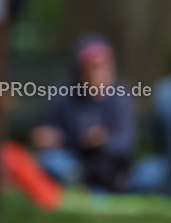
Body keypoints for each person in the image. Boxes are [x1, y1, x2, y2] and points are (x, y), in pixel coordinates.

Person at [31, 35, 135, 193]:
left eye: (102, 67)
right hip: (73, 163)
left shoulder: (121, 97)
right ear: (79, 70)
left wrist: (103, 140)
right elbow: (54, 136)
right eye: (91, 67)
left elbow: (126, 143)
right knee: (51, 161)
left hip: (109, 167)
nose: (96, 74)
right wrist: (50, 138)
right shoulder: (63, 95)